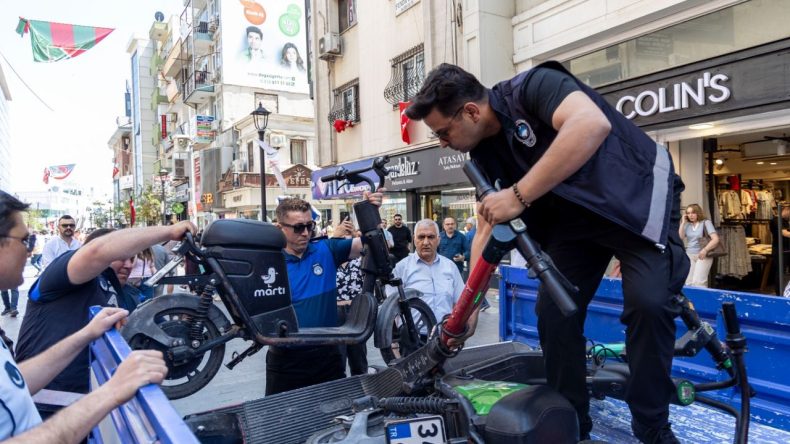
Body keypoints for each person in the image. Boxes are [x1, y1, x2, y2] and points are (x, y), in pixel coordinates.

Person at [405, 63, 688, 443]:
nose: (441, 142)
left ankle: (652, 427)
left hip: (633, 204)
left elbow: (590, 124)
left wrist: (518, 195)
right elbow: (487, 227)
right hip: (576, 224)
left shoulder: (533, 87)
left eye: (442, 132)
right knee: (552, 314)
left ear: (470, 111)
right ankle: (573, 423)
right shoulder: (483, 157)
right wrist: (467, 310)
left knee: (649, 303)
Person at [0, 189, 168, 442]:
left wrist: (87, 333)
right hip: (51, 410)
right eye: (25, 241)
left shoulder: (113, 287)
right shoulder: (64, 272)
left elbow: (13, 383)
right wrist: (112, 391)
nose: (29, 250)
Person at [15, 221, 195, 397]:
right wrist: (170, 231)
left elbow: (156, 328)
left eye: (132, 259)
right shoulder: (60, 273)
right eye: (121, 257)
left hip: (82, 405)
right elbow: (97, 251)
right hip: (40, 400)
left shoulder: (123, 292)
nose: (129, 265)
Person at [267, 192, 382, 395]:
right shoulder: (268, 262)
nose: (305, 233)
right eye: (298, 228)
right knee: (282, 421)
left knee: (334, 418)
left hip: (328, 355)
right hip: (286, 359)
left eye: (309, 226)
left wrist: (371, 211)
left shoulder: (325, 250)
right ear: (279, 228)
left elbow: (370, 241)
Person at [390, 219, 464, 323]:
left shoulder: (450, 267)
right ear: (414, 240)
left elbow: (460, 302)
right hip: (414, 337)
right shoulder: (401, 268)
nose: (426, 242)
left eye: (431, 237)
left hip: (445, 335)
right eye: (421, 237)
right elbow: (391, 309)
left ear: (438, 240)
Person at [333, 219, 367, 376]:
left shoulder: (359, 260)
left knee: (358, 358)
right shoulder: (330, 259)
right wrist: (334, 236)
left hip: (355, 310)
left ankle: (361, 391)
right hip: (335, 311)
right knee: (337, 357)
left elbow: (373, 250)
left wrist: (357, 236)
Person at [679, 204, 720, 288]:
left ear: (698, 213)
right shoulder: (687, 225)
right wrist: (682, 223)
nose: (691, 215)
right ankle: (690, 301)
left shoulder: (705, 223)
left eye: (693, 213)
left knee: (699, 282)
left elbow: (715, 239)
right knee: (688, 282)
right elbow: (680, 237)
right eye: (688, 213)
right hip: (689, 255)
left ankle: (702, 301)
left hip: (703, 255)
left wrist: (705, 250)